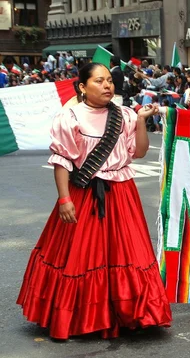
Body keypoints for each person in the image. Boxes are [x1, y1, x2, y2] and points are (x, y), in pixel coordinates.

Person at [16, 62, 172, 340]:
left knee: (128, 253)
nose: (107, 86)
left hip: (122, 192)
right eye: (99, 81)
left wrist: (141, 121)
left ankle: (132, 313)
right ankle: (83, 317)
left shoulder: (124, 115)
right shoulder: (71, 117)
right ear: (82, 87)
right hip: (85, 192)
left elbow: (139, 152)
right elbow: (62, 161)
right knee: (80, 256)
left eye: (109, 81)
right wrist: (64, 199)